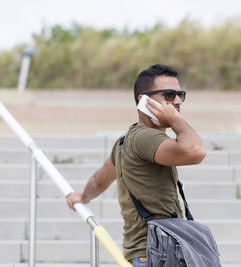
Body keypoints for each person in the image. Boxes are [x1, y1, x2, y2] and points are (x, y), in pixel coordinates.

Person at [65, 64, 206, 267]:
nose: (176, 101)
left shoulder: (125, 141)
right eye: (168, 94)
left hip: (145, 253)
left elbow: (99, 180)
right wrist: (176, 121)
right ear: (144, 100)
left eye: (179, 94)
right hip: (159, 254)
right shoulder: (145, 137)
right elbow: (196, 151)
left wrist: (83, 197)